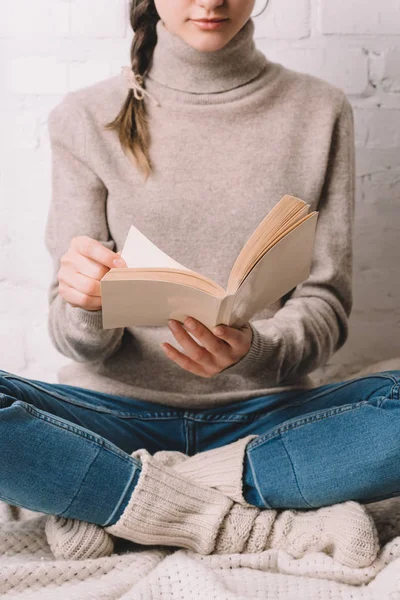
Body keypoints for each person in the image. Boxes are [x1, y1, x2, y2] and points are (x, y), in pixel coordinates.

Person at [1, 0, 398, 567]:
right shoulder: (85, 115)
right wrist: (86, 304)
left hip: (267, 421)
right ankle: (229, 516)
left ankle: (118, 494)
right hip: (112, 419)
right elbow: (73, 338)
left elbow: (325, 302)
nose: (211, 1)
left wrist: (255, 349)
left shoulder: (320, 108)